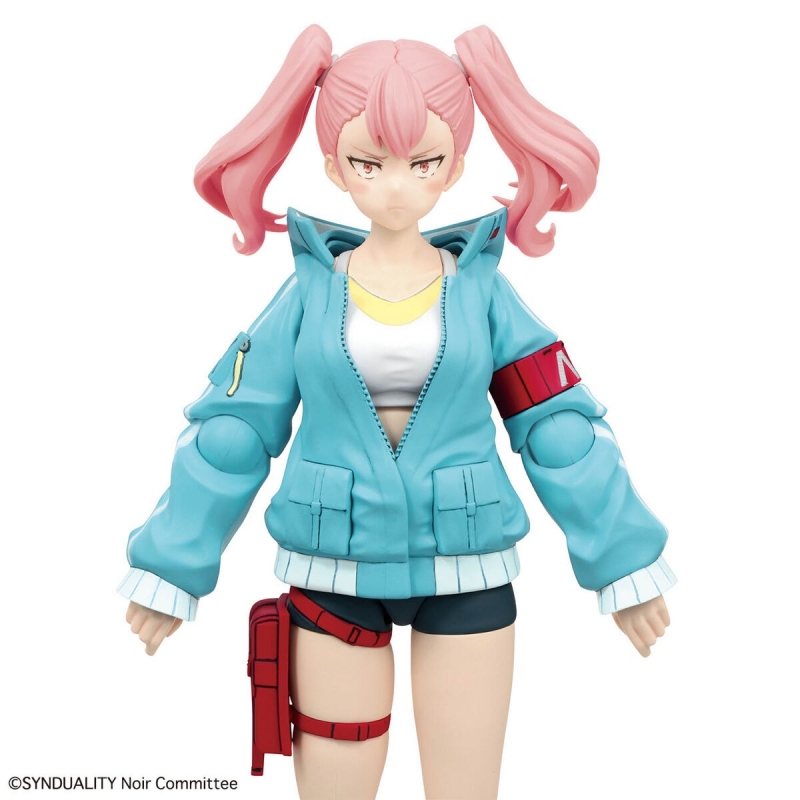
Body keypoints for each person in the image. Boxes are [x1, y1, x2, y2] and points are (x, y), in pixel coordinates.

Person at [119, 25, 676, 800]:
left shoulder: (482, 293)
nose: (394, 187)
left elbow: (557, 427)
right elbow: (232, 432)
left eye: (422, 163)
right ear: (332, 166)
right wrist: (170, 563)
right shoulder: (309, 294)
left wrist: (624, 558)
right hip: (332, 566)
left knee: (464, 787)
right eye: (367, 163)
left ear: (454, 166)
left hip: (467, 561)